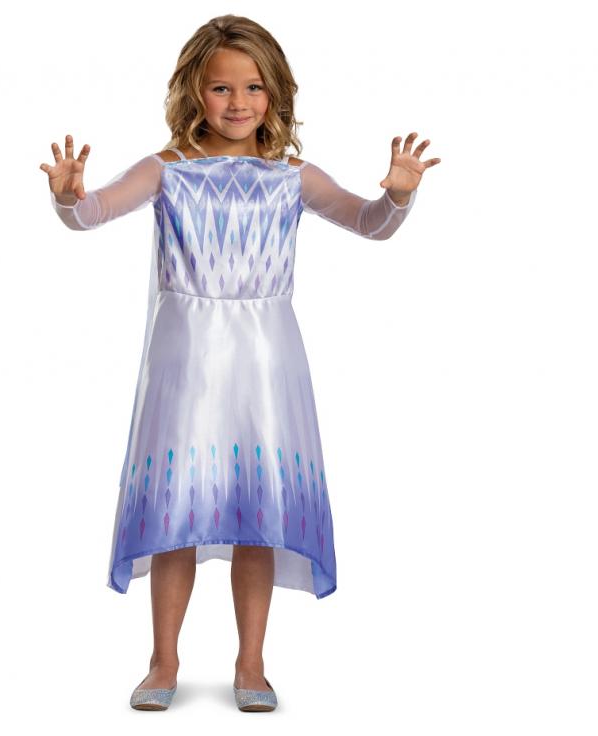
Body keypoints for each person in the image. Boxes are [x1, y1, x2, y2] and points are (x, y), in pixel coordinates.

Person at [39, 14, 440, 712]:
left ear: (275, 92)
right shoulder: (167, 170)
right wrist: (68, 196)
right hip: (186, 357)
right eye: (221, 87)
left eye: (253, 87)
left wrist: (398, 196)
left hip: (265, 357)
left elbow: (367, 223)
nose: (237, 102)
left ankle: (251, 662)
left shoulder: (291, 177)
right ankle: (163, 658)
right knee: (177, 509)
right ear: (193, 91)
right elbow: (92, 213)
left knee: (260, 509)